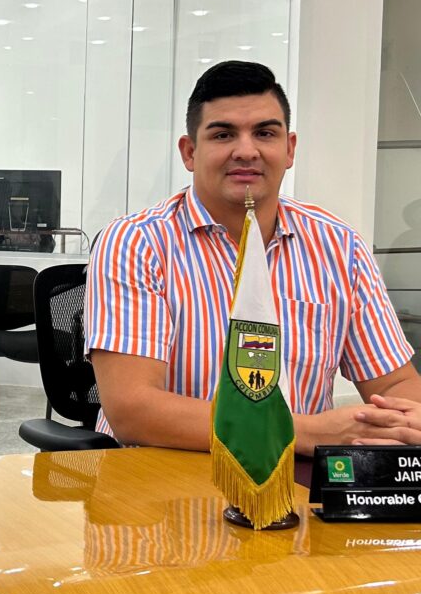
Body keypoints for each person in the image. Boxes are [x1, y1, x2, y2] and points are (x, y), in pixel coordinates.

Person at [85, 60, 421, 453]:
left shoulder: (339, 246)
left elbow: (395, 383)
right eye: (223, 134)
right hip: (163, 474)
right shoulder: (136, 243)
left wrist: (403, 423)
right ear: (190, 152)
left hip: (294, 479)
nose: (246, 151)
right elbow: (133, 410)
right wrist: (306, 433)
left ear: (289, 149)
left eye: (264, 133)